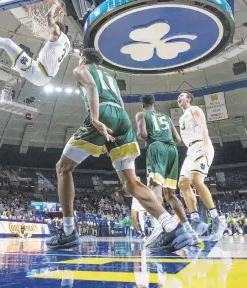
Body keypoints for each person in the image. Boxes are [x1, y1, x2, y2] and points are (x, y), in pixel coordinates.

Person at [46, 48, 192, 251]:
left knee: (63, 168)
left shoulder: (81, 68)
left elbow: (91, 86)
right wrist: (107, 139)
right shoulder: (111, 78)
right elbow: (121, 104)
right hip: (122, 118)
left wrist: (96, 120)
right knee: (130, 183)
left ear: (85, 58)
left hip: (103, 112)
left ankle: (68, 231)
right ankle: (171, 226)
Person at [135, 94, 199, 246]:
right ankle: (190, 231)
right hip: (172, 150)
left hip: (156, 147)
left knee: (154, 187)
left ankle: (159, 226)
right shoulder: (166, 117)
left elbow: (142, 134)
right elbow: (177, 140)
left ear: (143, 105)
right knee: (170, 194)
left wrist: (143, 135)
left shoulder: (142, 114)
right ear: (154, 103)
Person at [0, 0, 70, 87]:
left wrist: (57, 4)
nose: (49, 31)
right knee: (10, 46)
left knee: (7, 43)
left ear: (57, 30)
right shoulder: (66, 43)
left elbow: (49, 17)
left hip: (38, 72)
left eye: (50, 30)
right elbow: (60, 31)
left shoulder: (57, 34)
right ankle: (19, 67)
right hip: (40, 72)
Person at [177, 91, 226, 241]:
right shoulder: (181, 118)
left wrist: (205, 144)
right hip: (190, 150)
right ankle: (196, 220)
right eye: (178, 97)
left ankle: (216, 219)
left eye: (182, 96)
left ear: (189, 99)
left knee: (197, 180)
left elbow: (203, 126)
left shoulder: (194, 109)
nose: (179, 98)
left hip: (200, 145)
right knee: (183, 184)